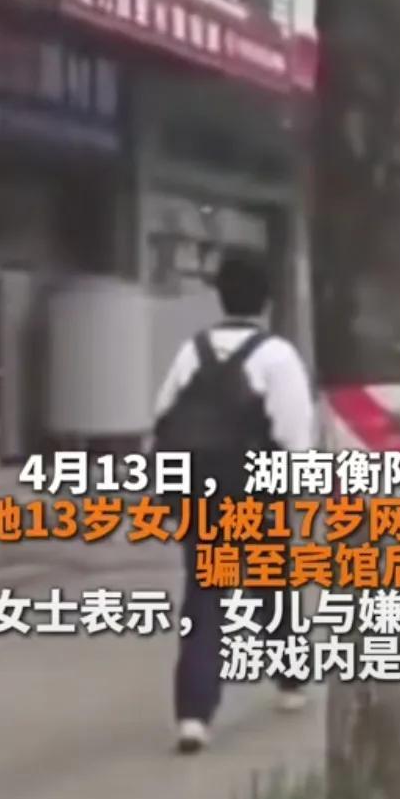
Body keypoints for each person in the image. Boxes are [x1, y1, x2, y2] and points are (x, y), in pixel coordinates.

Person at [153, 246, 316, 750]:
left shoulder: (191, 351)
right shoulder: (277, 355)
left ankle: (193, 715)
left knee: (205, 595)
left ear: (220, 296)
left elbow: (162, 416)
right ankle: (290, 681)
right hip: (255, 491)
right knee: (271, 581)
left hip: (198, 492)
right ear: (266, 300)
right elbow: (293, 433)